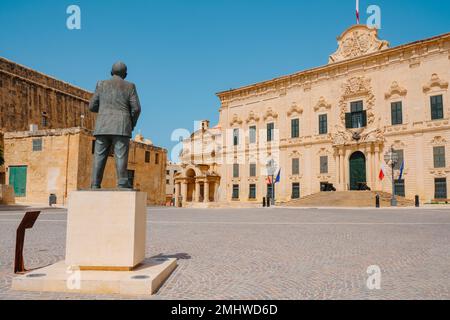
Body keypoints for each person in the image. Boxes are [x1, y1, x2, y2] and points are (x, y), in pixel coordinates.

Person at [89, 61, 141, 189]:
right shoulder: (130, 86)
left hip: (103, 125)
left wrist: (104, 111)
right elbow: (137, 109)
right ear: (126, 74)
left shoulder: (101, 84)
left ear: (111, 72)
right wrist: (131, 123)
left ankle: (95, 183)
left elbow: (92, 106)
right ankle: (122, 182)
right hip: (122, 125)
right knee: (120, 155)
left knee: (99, 156)